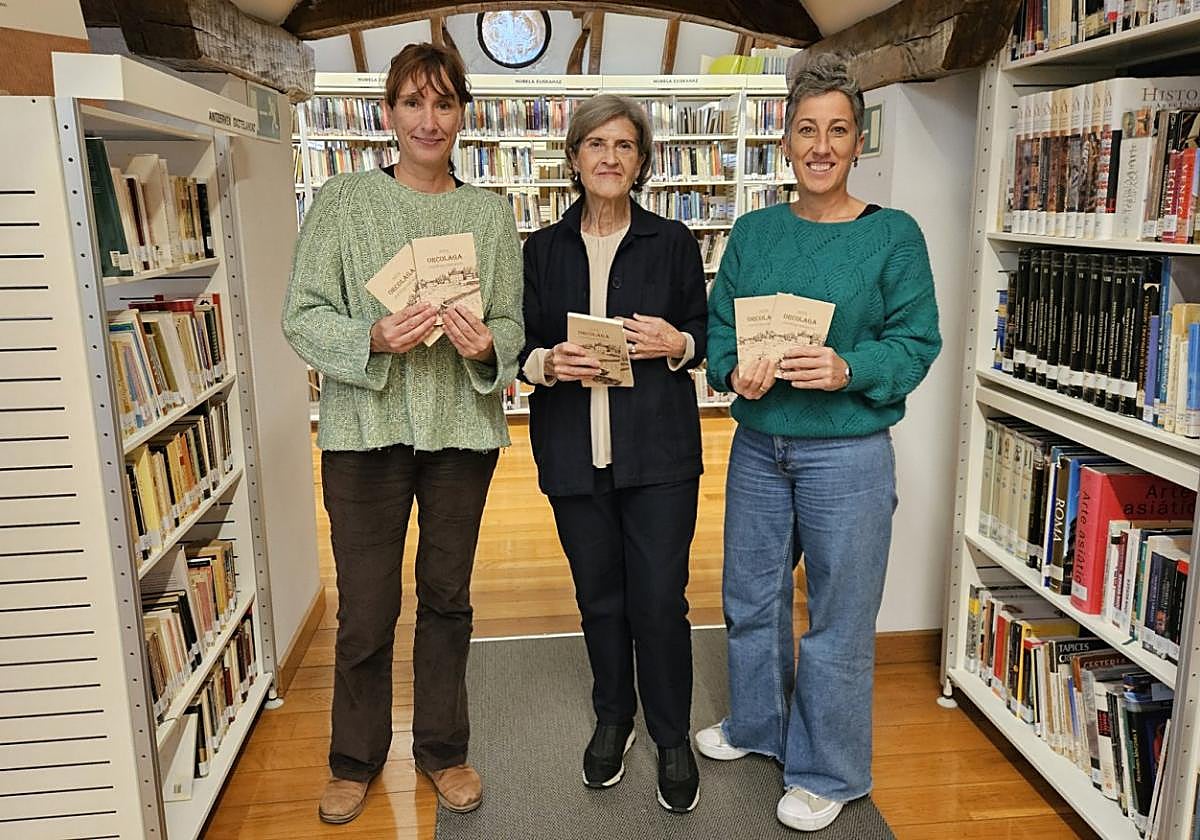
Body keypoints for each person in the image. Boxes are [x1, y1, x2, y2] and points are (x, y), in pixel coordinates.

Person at [696, 53, 942, 832]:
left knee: (837, 613)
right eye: (807, 130)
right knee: (750, 597)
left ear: (858, 141)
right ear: (786, 141)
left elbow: (917, 342)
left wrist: (848, 366)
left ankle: (828, 770)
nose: (822, 144)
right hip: (760, 445)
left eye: (838, 129)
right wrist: (738, 373)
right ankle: (758, 727)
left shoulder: (895, 236)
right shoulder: (754, 231)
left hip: (849, 454)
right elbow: (721, 330)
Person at [281, 43, 523, 824]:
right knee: (367, 606)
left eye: (445, 104)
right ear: (387, 114)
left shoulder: (488, 213)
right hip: (364, 434)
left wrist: (492, 346)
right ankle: (354, 759)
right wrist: (372, 338)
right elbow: (302, 314)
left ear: (463, 116)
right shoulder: (344, 201)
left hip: (461, 434)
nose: (429, 119)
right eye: (414, 103)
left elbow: (513, 320)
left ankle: (444, 751)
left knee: (448, 600)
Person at [519, 94, 708, 813]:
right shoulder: (541, 249)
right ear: (572, 159)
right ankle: (613, 716)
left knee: (659, 600)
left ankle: (670, 735)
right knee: (598, 597)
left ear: (641, 162)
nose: (609, 157)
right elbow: (518, 344)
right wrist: (545, 364)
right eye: (595, 144)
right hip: (572, 450)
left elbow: (703, 331)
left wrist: (679, 344)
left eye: (624, 146)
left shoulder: (673, 242)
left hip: (658, 455)